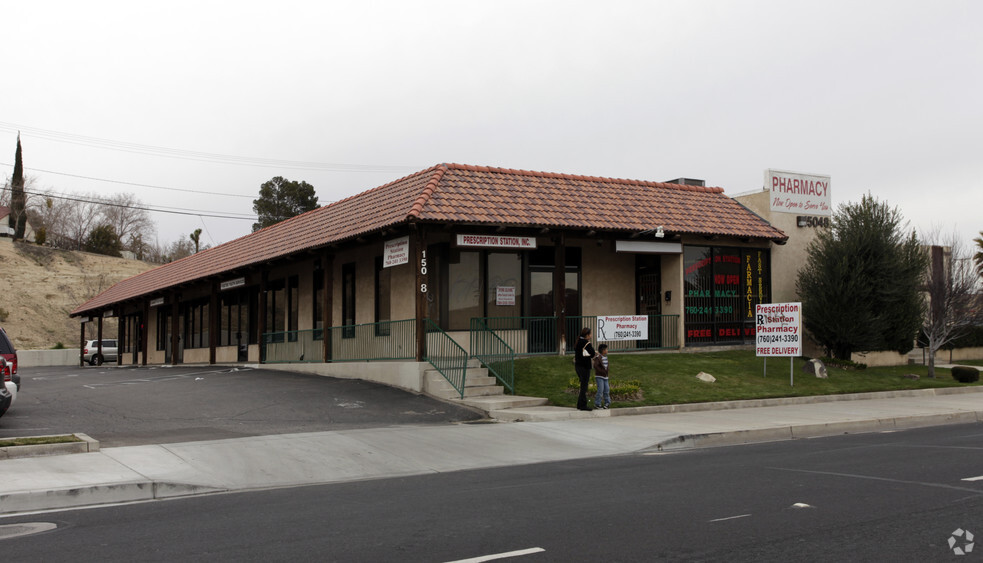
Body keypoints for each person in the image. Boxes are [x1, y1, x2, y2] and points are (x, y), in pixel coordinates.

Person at [574, 327, 596, 411]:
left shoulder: (578, 341)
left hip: (578, 366)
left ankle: (580, 404)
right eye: (590, 334)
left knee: (582, 385)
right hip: (585, 366)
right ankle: (583, 405)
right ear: (587, 335)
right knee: (584, 386)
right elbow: (593, 353)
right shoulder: (587, 343)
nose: (590, 336)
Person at [593, 343, 610, 409]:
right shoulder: (598, 358)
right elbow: (596, 366)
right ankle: (597, 404)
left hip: (605, 377)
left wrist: (606, 372)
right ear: (603, 350)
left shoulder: (606, 357)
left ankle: (607, 403)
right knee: (600, 390)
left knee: (606, 390)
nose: (607, 350)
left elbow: (606, 367)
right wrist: (602, 371)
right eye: (606, 349)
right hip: (599, 377)